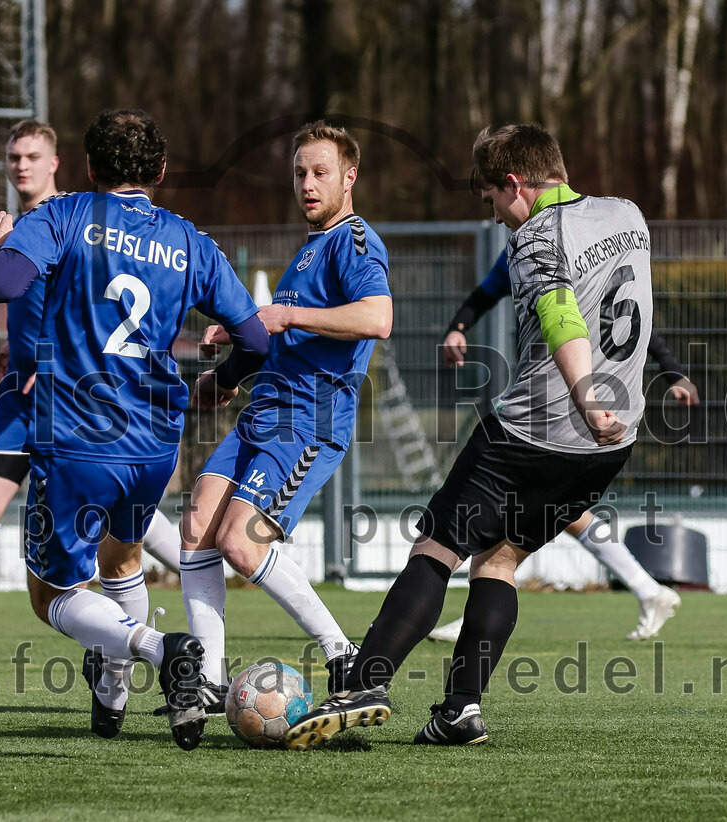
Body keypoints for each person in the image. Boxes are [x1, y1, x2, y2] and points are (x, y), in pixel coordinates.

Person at [287, 123, 654, 749]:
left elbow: (563, 318)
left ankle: (364, 685)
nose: (494, 217)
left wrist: (587, 397)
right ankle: (460, 711)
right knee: (501, 559)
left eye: (490, 200)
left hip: (536, 428)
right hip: (609, 444)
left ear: (515, 184)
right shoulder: (627, 214)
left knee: (436, 547)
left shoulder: (536, 237)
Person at [0, 109, 269, 749]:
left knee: (50, 594)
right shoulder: (190, 241)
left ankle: (162, 652)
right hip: (155, 445)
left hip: (79, 435)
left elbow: (3, 283)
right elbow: (253, 338)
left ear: (87, 169)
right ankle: (114, 702)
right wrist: (220, 383)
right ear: (160, 172)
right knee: (123, 558)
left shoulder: (62, 216)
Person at [0, 120, 185, 663]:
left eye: (31, 156)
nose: (20, 166)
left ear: (56, 163)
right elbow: (28, 304)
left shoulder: (71, 220)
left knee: (118, 523)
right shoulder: (26, 224)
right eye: (13, 157)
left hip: (70, 397)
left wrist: (47, 358)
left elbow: (87, 311)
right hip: (23, 390)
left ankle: (193, 563)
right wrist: (17, 350)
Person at [179, 121, 391, 700]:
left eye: (320, 172)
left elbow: (377, 318)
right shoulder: (308, 252)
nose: (307, 183)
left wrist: (284, 315)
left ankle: (343, 654)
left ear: (350, 177)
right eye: (299, 173)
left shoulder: (355, 244)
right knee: (196, 527)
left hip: (309, 424)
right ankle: (207, 679)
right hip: (261, 417)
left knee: (242, 544)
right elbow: (279, 341)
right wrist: (225, 373)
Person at [427, 252, 697, 643]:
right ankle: (648, 589)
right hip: (548, 403)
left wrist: (672, 370)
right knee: (560, 510)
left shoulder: (570, 247)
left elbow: (635, 317)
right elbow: (484, 294)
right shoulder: (520, 250)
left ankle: (467, 613)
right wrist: (458, 327)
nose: (496, 212)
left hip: (577, 406)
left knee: (523, 504)